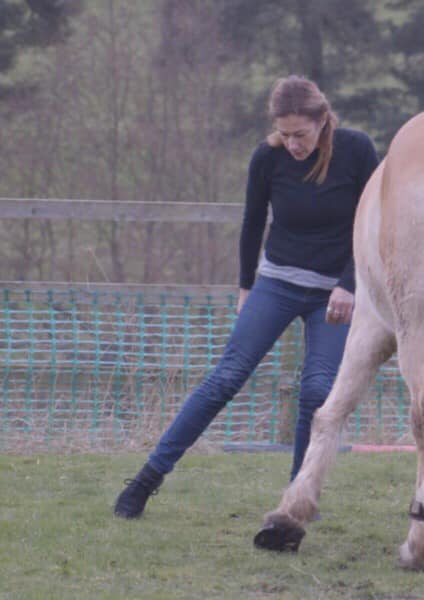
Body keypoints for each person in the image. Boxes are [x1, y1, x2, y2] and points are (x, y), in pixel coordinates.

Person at [113, 76, 378, 519]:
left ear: (323, 121)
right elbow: (253, 222)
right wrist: (246, 287)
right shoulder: (267, 157)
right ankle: (146, 479)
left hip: (333, 294)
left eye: (302, 134)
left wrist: (350, 284)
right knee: (226, 377)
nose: (293, 144)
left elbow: (373, 222)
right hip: (277, 282)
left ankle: (295, 502)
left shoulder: (356, 151)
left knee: (316, 391)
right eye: (285, 134)